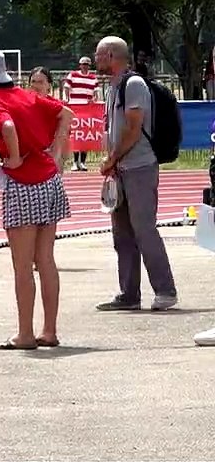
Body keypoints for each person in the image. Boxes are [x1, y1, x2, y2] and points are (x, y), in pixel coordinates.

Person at [0, 49, 73, 350]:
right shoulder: (26, 95)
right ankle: (49, 330)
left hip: (23, 183)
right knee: (46, 260)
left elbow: (8, 127)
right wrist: (54, 151)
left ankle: (25, 334)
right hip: (49, 179)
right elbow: (66, 114)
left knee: (22, 266)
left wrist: (13, 159)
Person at [94, 36, 178, 312]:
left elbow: (133, 128)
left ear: (110, 55)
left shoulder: (134, 85)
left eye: (98, 55)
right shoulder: (113, 88)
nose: (95, 61)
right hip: (121, 169)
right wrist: (112, 161)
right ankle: (129, 294)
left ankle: (165, 291)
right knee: (122, 235)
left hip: (140, 166)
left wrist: (113, 157)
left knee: (144, 230)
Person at [62, 56, 96, 171]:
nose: (85, 66)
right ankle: (75, 162)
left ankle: (83, 162)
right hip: (75, 108)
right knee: (76, 135)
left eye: (87, 64)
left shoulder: (93, 78)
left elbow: (96, 92)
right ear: (80, 65)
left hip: (87, 109)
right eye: (83, 64)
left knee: (85, 136)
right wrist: (67, 99)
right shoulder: (73, 75)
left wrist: (94, 99)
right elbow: (66, 87)